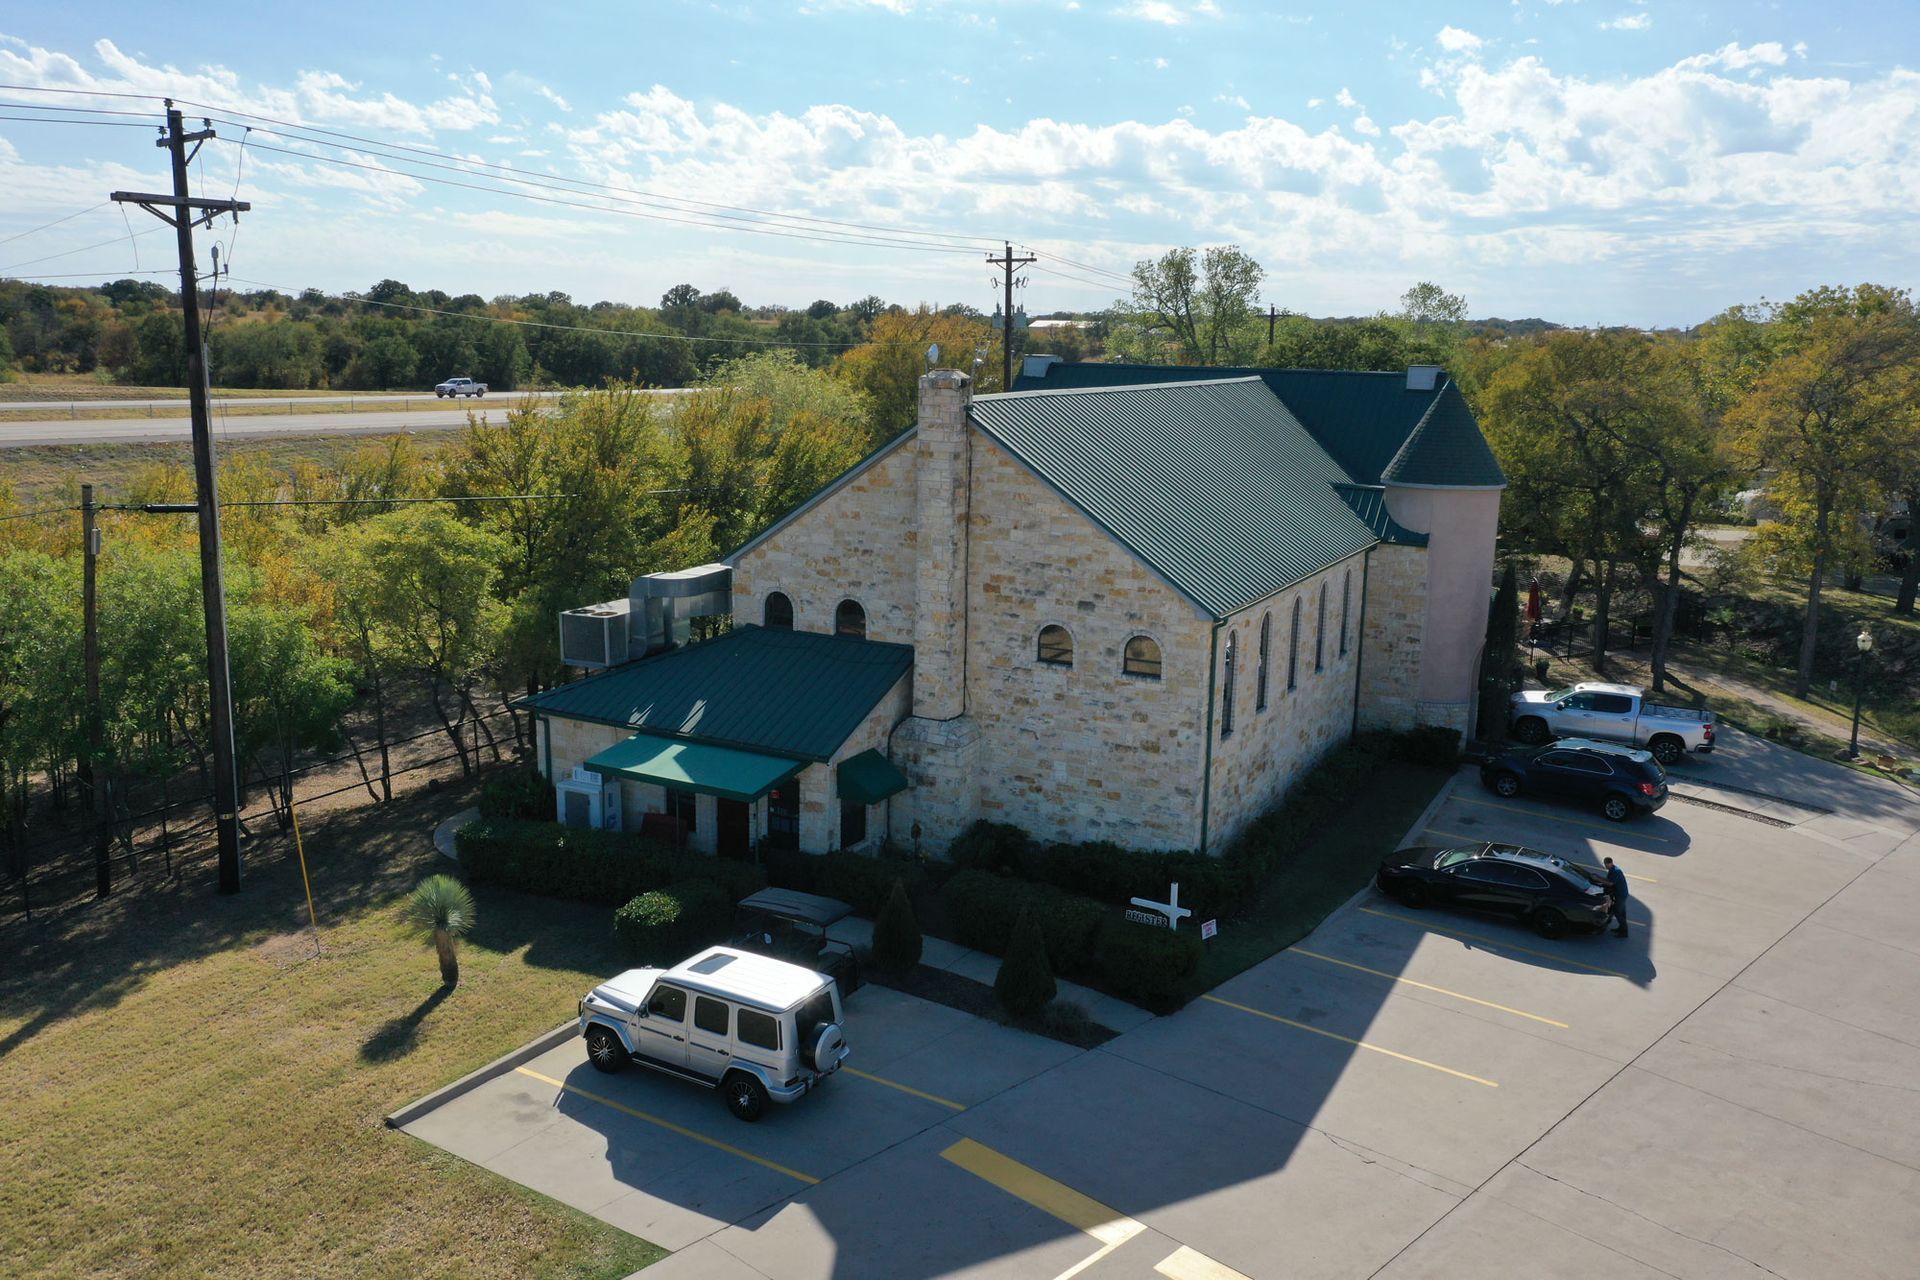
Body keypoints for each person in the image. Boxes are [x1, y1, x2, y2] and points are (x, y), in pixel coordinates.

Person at [1603, 856, 1629, 938]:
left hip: (1621, 895)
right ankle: (1621, 928)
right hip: (1621, 894)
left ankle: (1624, 932)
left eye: (1606, 865)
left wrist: (1598, 879)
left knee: (1618, 913)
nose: (1605, 866)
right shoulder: (1612, 870)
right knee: (1622, 912)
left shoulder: (1616, 872)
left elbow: (1610, 883)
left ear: (1610, 863)